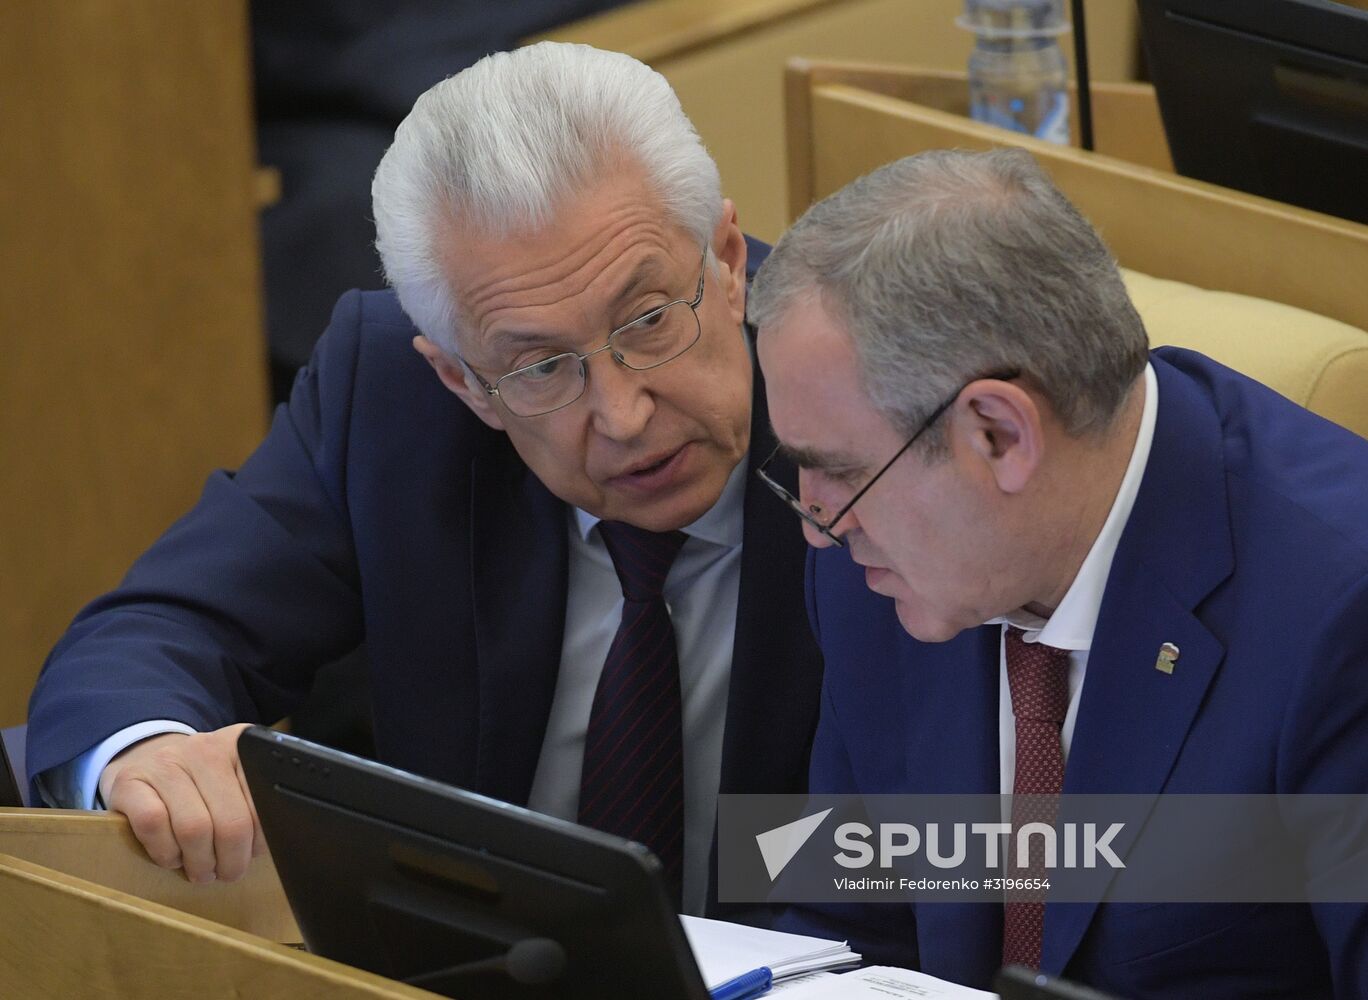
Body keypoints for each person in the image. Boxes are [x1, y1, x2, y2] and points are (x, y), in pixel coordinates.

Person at [25, 42, 823, 919]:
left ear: (730, 260)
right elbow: (159, 631)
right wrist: (152, 755)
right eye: (542, 368)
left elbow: (979, 840)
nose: (624, 412)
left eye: (649, 318)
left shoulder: (868, 394)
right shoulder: (391, 398)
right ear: (463, 382)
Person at [749, 148, 1368, 996]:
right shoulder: (877, 579)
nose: (818, 525)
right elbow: (844, 924)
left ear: (1000, 434)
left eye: (843, 471)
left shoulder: (1341, 613)